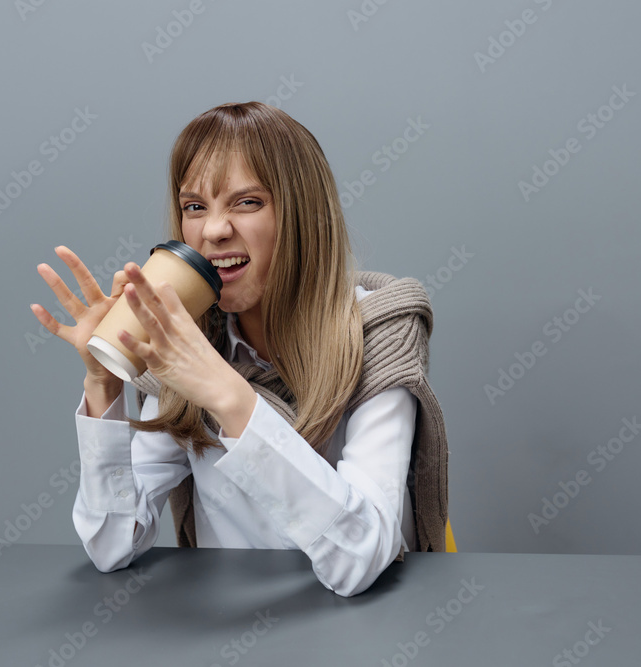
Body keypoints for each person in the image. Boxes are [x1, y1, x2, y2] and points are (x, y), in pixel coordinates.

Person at [30, 101, 448, 597]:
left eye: (247, 202)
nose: (213, 230)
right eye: (195, 207)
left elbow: (362, 559)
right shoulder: (186, 345)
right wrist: (103, 382)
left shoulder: (378, 332)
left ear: (302, 216)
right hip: (232, 622)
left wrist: (229, 397)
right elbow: (112, 542)